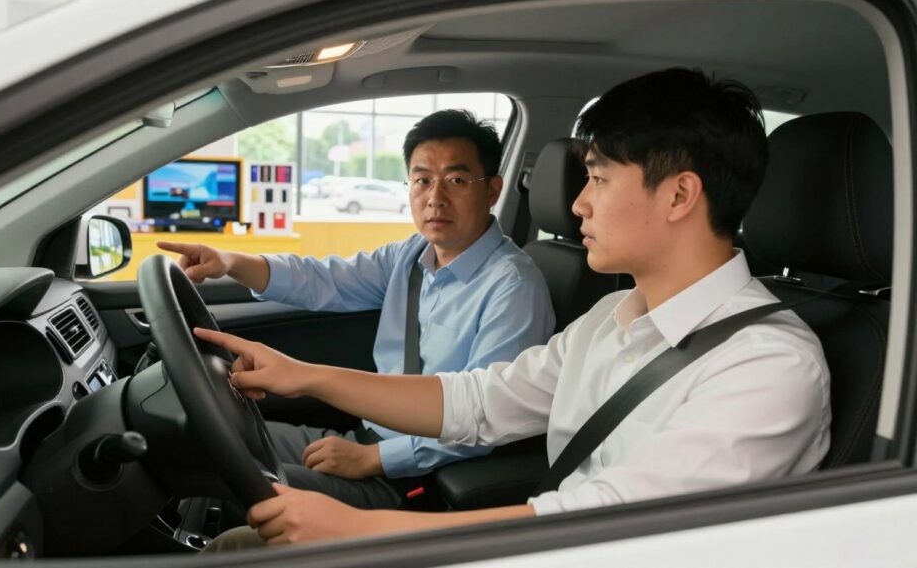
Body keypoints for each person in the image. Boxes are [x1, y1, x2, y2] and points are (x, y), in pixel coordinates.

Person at [195, 68, 832, 550]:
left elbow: (614, 523)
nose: (578, 204)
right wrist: (301, 375)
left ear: (679, 195)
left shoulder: (769, 364)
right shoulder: (614, 319)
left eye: (600, 179)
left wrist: (363, 530)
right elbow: (479, 401)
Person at [158, 109, 555, 510]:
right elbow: (324, 279)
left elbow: (486, 419)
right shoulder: (411, 255)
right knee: (210, 440)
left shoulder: (514, 288)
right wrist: (231, 262)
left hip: (419, 480)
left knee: (240, 484)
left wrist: (375, 459)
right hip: (363, 440)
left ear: (492, 190)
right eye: (421, 180)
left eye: (456, 180)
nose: (435, 197)